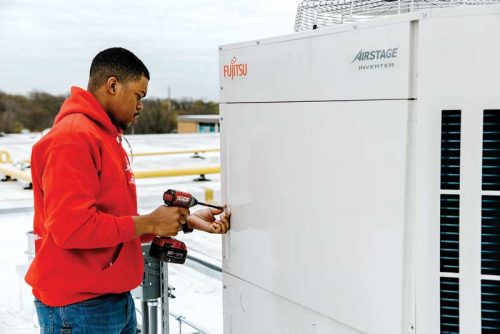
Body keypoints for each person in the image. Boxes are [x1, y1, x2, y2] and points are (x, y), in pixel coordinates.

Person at [25, 47, 230, 334]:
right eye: (138, 95)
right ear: (112, 85)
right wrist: (150, 222)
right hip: (79, 309)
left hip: (111, 300)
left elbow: (113, 222)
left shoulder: (104, 137)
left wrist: (184, 221)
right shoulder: (73, 139)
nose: (141, 106)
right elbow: (72, 228)